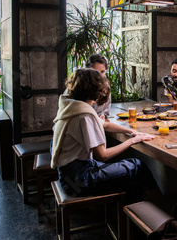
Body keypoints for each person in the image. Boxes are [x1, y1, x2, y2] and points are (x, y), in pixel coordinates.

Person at [51, 68, 160, 201]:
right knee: (137, 166)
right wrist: (132, 140)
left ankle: (134, 215)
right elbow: (103, 155)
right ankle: (161, 206)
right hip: (78, 178)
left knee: (132, 179)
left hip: (68, 175)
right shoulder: (84, 115)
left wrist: (131, 131)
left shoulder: (72, 106)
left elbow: (106, 125)